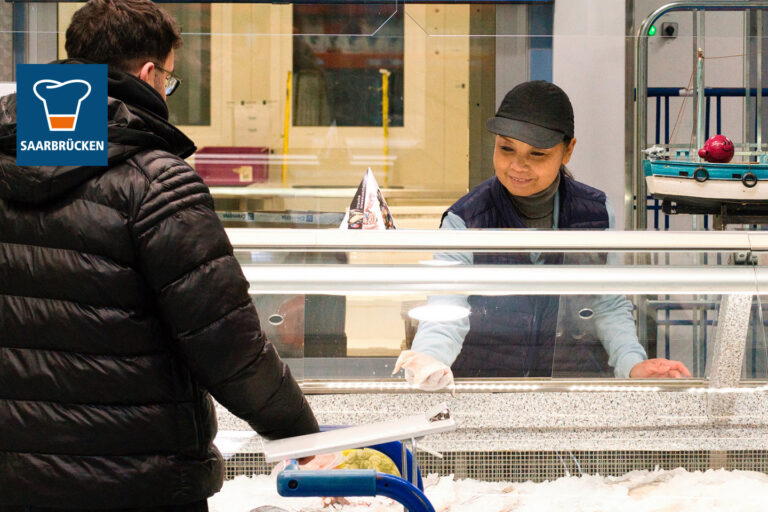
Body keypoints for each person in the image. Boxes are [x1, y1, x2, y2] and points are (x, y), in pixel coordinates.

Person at [0, 0, 317, 510]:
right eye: (169, 79)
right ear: (150, 74)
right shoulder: (155, 183)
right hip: (137, 481)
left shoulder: (9, 161)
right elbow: (227, 345)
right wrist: (300, 435)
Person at [394, 81, 691, 391]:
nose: (517, 166)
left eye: (537, 154)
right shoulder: (464, 220)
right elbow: (446, 311)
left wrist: (632, 363)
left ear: (568, 151)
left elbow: (606, 303)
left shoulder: (595, 212)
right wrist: (430, 360)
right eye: (506, 148)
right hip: (486, 389)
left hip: (570, 388)